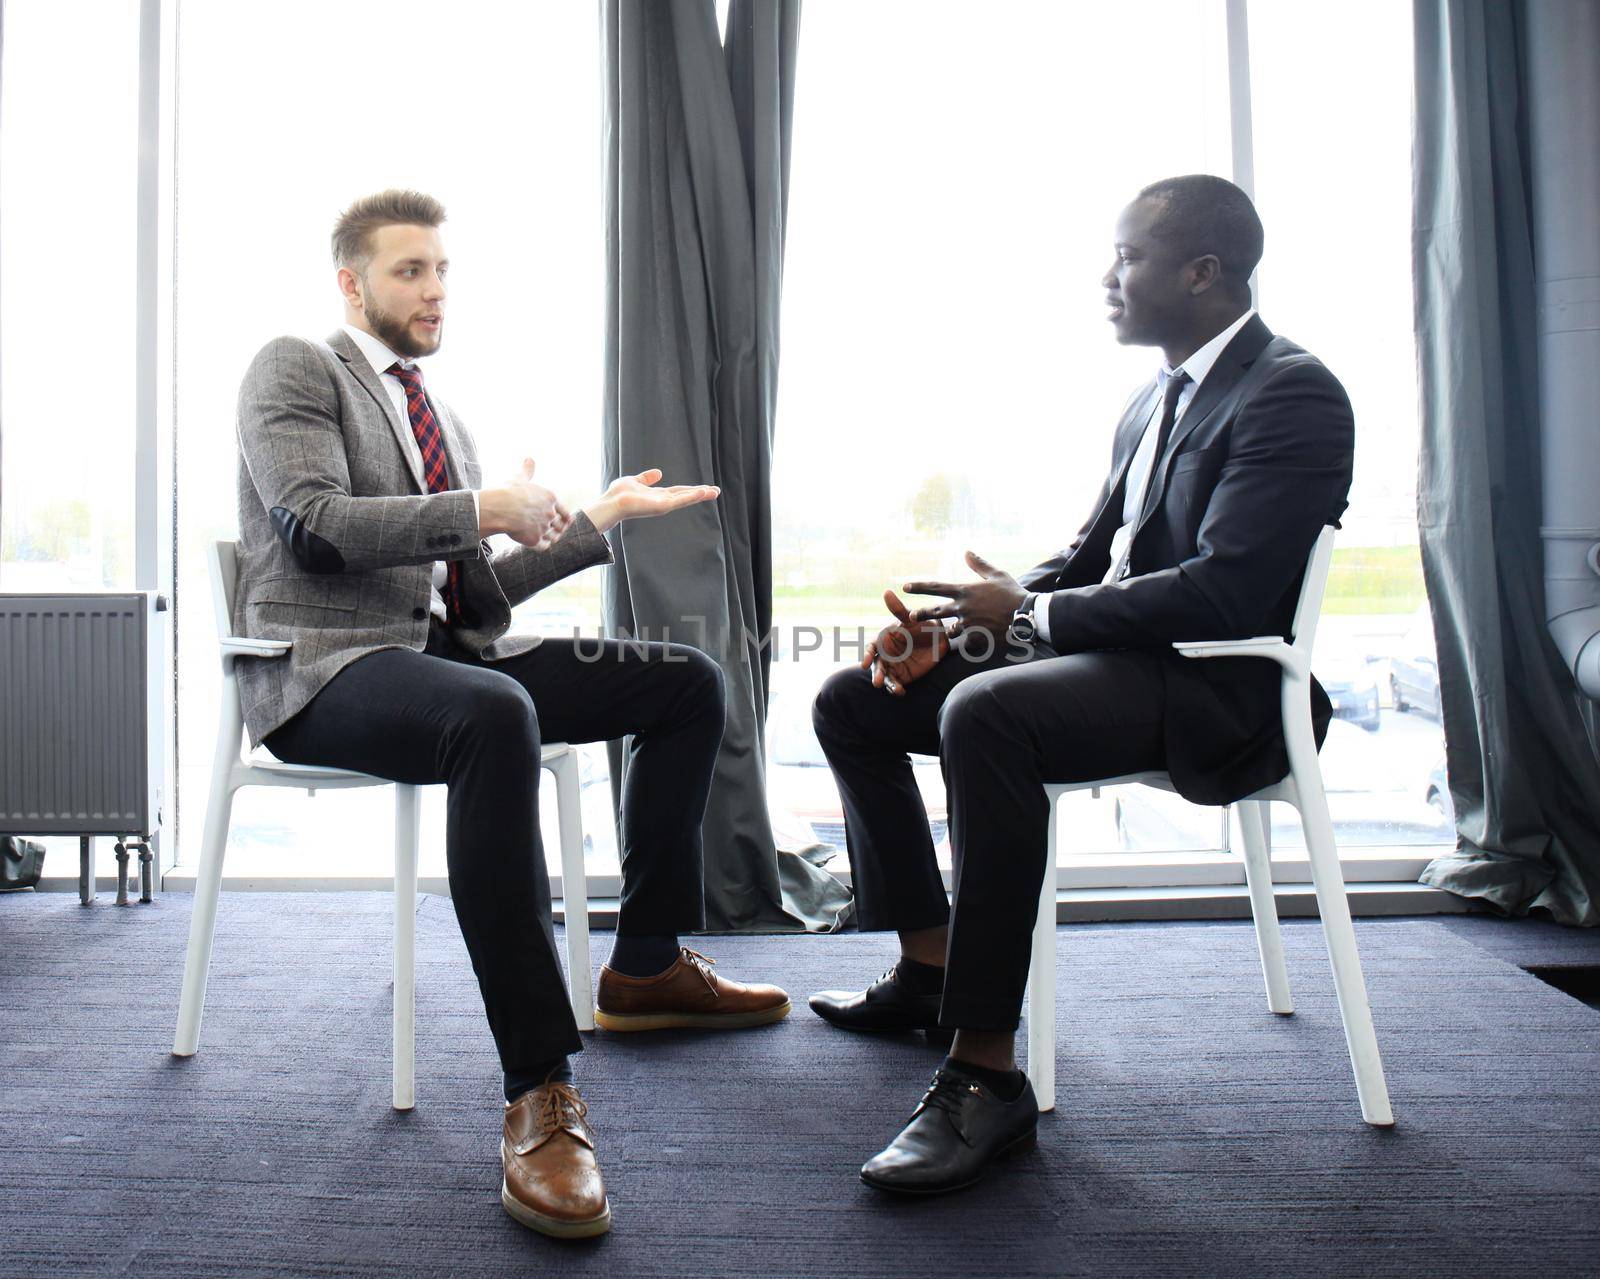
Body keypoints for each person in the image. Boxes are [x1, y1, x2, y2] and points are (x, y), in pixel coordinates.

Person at [233, 189, 789, 1239]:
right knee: (493, 713)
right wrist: (483, 510)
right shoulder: (295, 367)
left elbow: (474, 602)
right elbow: (312, 529)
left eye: (442, 269)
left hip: (446, 659)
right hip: (323, 671)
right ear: (352, 282)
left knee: (684, 681)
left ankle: (645, 962)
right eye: (409, 271)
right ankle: (538, 1090)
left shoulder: (444, 421)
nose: (434, 289)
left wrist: (591, 523)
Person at [809, 175, 1355, 1195]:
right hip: (1127, 661)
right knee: (857, 697)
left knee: (989, 711)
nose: (1109, 278)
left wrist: (1023, 620)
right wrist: (949, 628)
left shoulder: (1292, 391)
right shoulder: (1154, 396)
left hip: (1222, 688)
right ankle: (930, 967)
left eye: (1128, 258)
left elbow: (1227, 588)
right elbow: (1092, 556)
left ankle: (983, 1072)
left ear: (1202, 272)